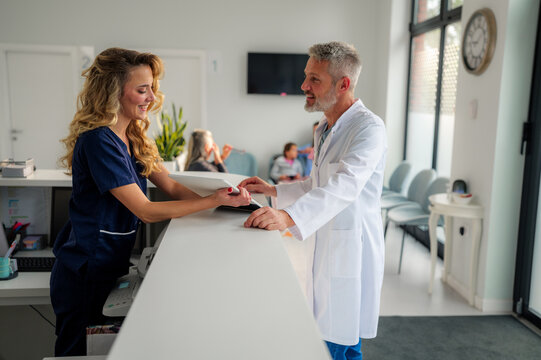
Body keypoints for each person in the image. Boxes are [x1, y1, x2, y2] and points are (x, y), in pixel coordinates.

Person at [51, 48, 251, 357]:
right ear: (114, 91)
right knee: (77, 352)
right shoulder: (98, 141)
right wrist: (212, 200)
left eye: (152, 88)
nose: (151, 97)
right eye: (142, 89)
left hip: (111, 264)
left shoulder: (134, 135)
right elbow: (145, 210)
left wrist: (225, 207)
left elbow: (170, 185)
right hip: (85, 269)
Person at [240, 41, 387, 360]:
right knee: (338, 342)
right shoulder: (325, 127)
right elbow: (318, 183)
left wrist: (288, 217)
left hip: (350, 250)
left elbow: (346, 186)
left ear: (344, 84)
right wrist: (274, 190)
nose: (303, 86)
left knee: (333, 343)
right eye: (307, 76)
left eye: (314, 79)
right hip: (327, 246)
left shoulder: (368, 129)